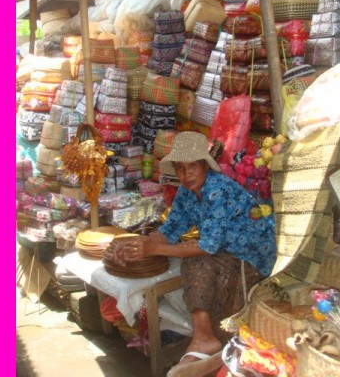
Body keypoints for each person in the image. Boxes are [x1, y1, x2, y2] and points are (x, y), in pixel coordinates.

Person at [113, 132, 276, 373]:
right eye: (180, 168)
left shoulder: (217, 189)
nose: (186, 174)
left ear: (205, 166)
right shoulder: (187, 192)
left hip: (252, 256)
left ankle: (204, 339)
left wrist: (153, 248)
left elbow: (206, 246)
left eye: (192, 166)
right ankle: (205, 338)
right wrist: (139, 245)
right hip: (226, 250)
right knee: (193, 261)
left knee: (196, 262)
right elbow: (169, 230)